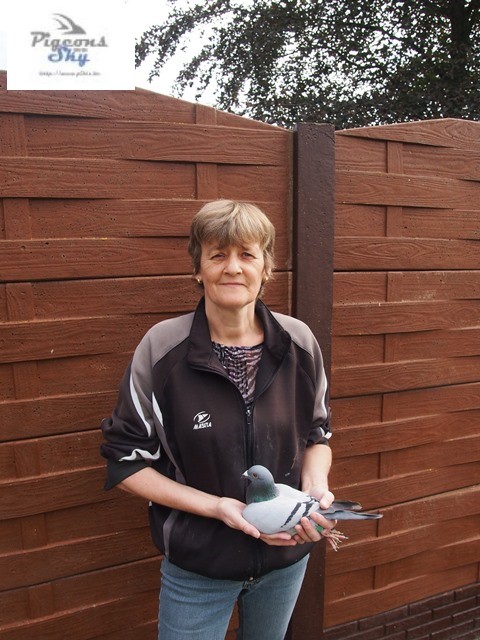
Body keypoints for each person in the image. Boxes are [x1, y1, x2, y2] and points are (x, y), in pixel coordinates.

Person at [100, 199, 335, 640]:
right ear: (198, 268)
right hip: (199, 567)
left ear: (266, 267)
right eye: (217, 255)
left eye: (247, 254)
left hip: (285, 560)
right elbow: (125, 464)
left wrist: (315, 489)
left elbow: (317, 435)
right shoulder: (161, 350)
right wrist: (217, 507)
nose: (233, 268)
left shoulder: (299, 343)